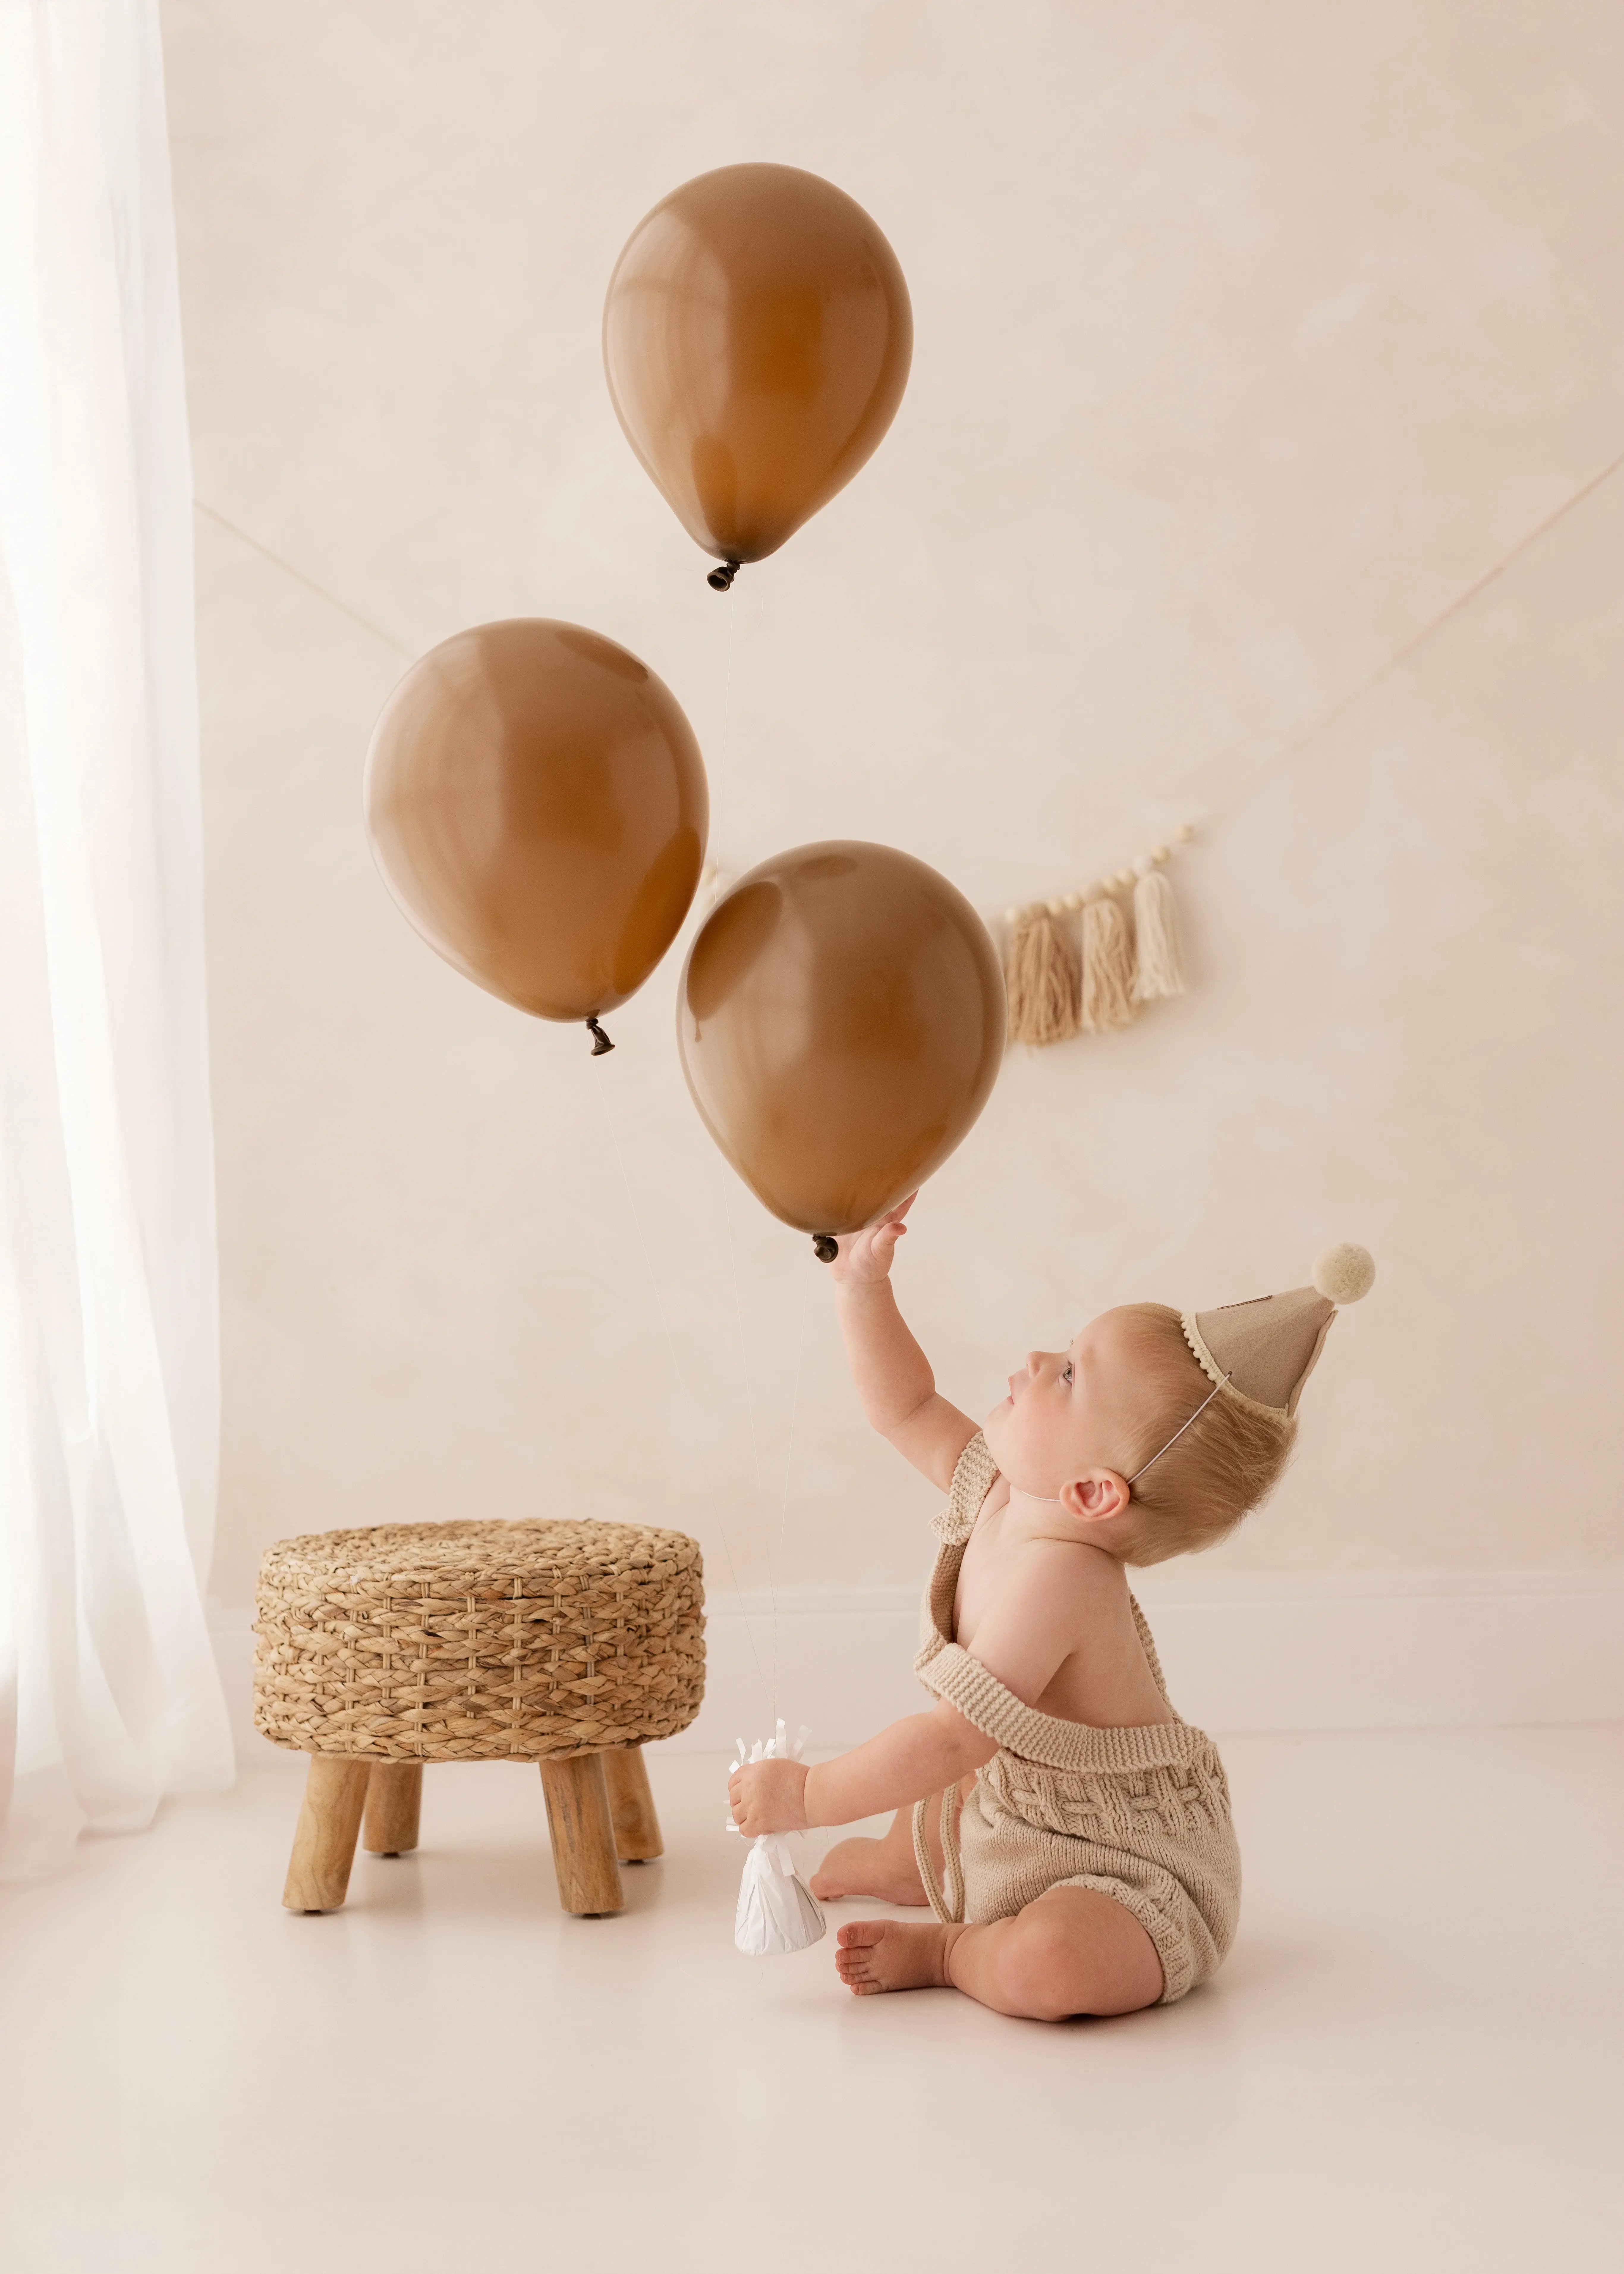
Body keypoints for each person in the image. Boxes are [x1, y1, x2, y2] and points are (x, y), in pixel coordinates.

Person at [727, 1199, 1374, 2018]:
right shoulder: (999, 1488)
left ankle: (955, 1949)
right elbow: (906, 1407)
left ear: (1094, 1493)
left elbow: (953, 1738)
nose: (1036, 1358)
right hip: (1011, 1808)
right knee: (936, 1786)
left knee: (1053, 1961)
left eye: (1068, 1374)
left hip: (1126, 1864)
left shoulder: (1064, 1578)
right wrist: (861, 1286)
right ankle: (920, 1862)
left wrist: (810, 1796)